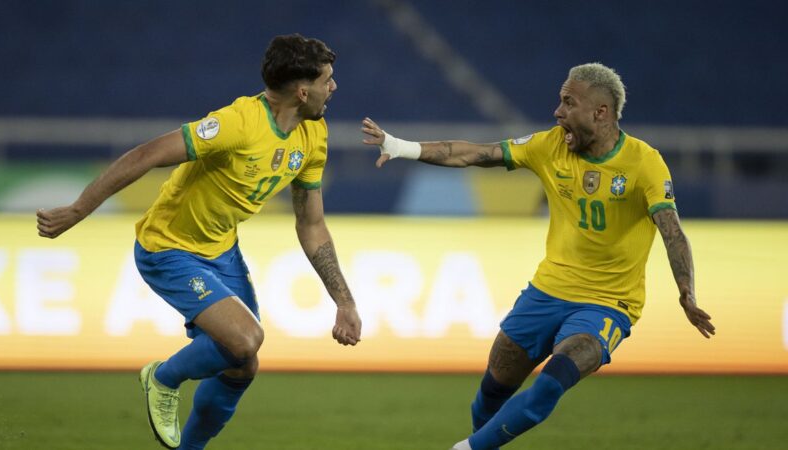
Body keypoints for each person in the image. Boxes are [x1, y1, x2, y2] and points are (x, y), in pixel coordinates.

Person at [362, 62, 715, 450]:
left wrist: (686, 291)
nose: (557, 112)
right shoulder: (549, 146)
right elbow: (474, 155)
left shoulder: (644, 162)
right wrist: (400, 147)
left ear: (601, 113)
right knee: (491, 392)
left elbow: (672, 230)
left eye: (568, 103)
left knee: (552, 383)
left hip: (607, 304)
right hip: (545, 293)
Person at [36, 33, 362, 450]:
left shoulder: (312, 136)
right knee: (245, 339)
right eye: (327, 80)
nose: (333, 88)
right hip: (168, 247)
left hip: (221, 250)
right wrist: (78, 210)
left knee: (243, 366)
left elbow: (311, 225)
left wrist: (344, 301)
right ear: (302, 91)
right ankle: (163, 377)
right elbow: (147, 154)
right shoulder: (238, 124)